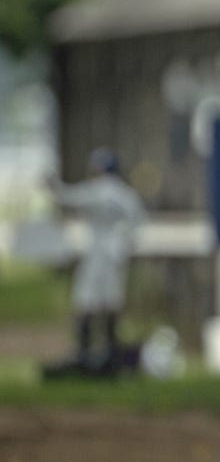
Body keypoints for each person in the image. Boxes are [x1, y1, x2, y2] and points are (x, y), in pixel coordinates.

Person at [48, 147, 144, 375]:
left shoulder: (97, 190)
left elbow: (67, 196)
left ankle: (85, 351)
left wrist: (53, 185)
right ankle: (110, 351)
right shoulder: (125, 194)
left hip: (97, 254)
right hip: (113, 255)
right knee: (110, 301)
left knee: (87, 300)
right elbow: (137, 222)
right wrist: (125, 245)